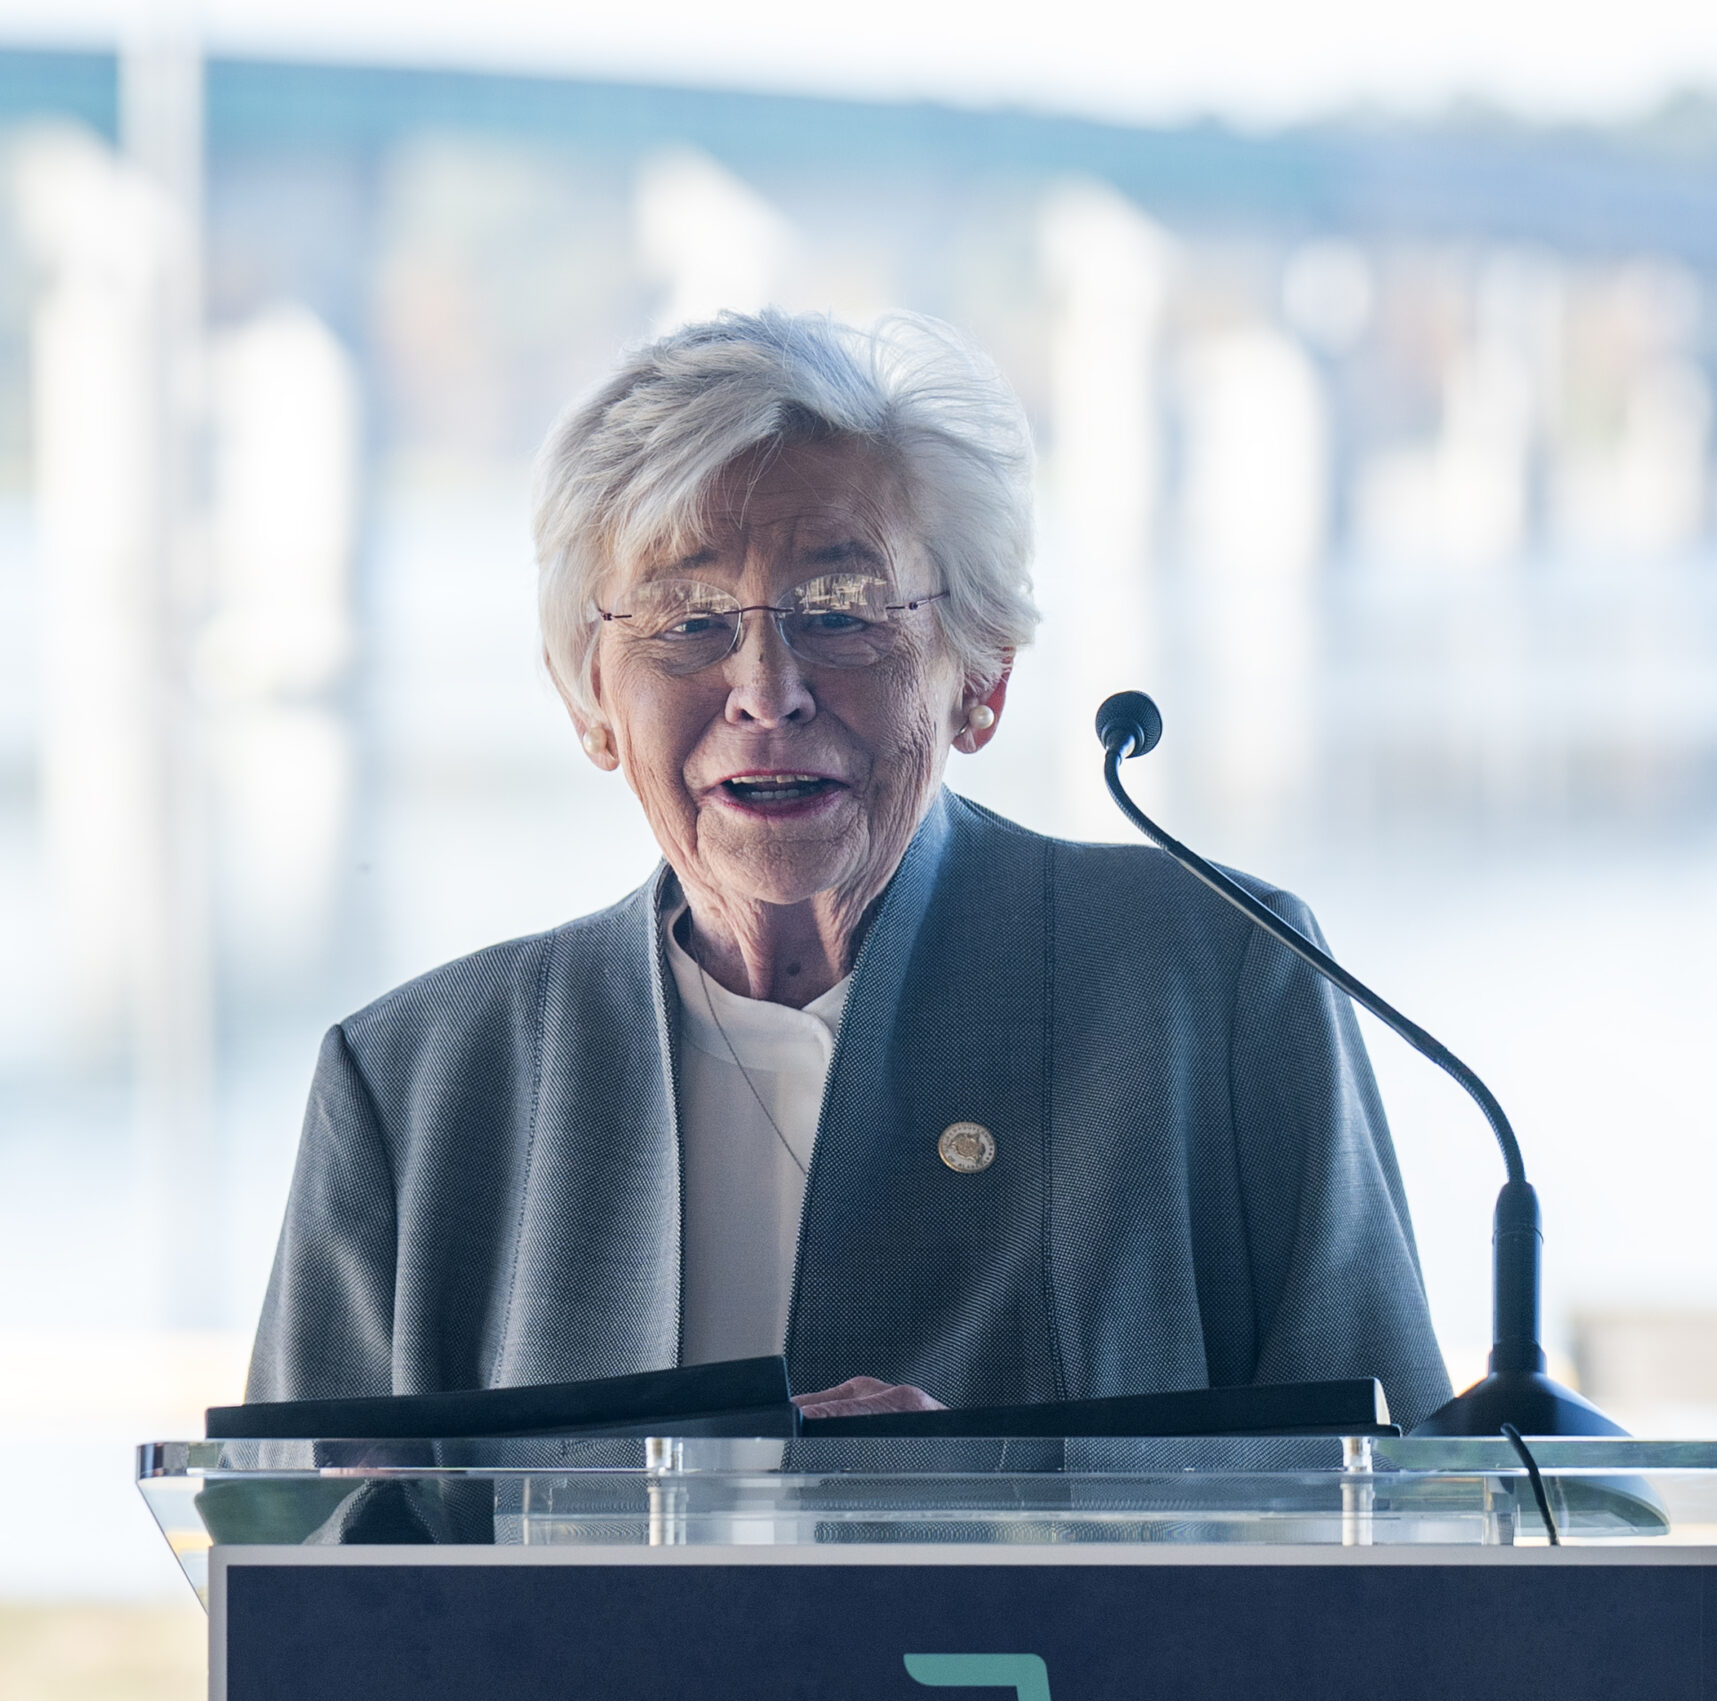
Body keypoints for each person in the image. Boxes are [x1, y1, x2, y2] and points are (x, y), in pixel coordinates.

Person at [247, 309, 1450, 1428]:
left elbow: (1398, 1538)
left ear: (979, 678)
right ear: (588, 696)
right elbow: (306, 1598)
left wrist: (993, 1516)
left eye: (841, 607)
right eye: (687, 620)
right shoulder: (416, 1087)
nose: (767, 691)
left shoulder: (1219, 988)